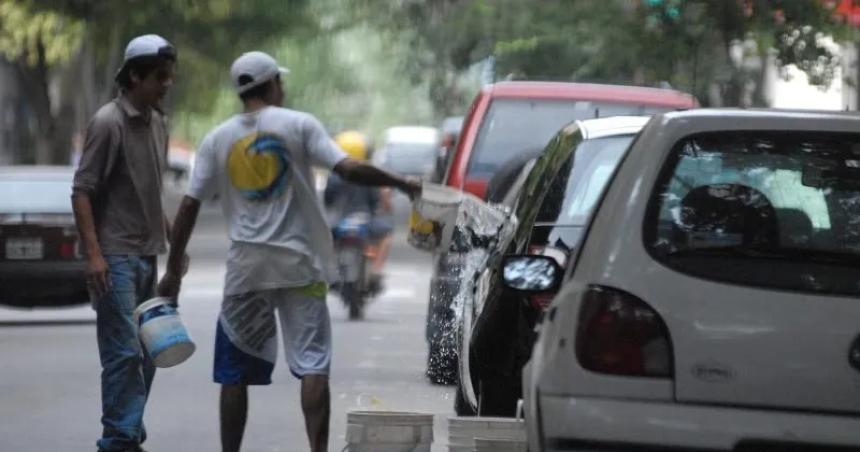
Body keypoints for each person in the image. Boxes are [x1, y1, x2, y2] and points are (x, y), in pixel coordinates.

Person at [156, 51, 420, 452]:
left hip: (246, 270)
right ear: (273, 84)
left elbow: (190, 204)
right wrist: (402, 182)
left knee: (234, 373)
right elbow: (347, 169)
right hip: (301, 267)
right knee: (313, 364)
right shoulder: (299, 125)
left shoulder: (218, 138)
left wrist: (173, 271)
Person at [71, 34, 177, 452]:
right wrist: (94, 255)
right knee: (124, 353)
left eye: (169, 77)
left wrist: (174, 241)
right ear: (134, 76)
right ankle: (118, 439)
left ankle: (127, 431)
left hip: (148, 254)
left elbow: (149, 189)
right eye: (159, 77)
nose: (167, 84)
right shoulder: (107, 122)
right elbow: (82, 191)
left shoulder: (158, 122)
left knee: (152, 349)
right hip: (114, 256)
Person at [324, 131, 394, 289]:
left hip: (338, 222)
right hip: (365, 220)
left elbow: (328, 200)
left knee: (325, 240)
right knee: (386, 235)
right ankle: (376, 269)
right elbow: (376, 202)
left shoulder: (334, 175)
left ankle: (330, 267)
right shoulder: (369, 175)